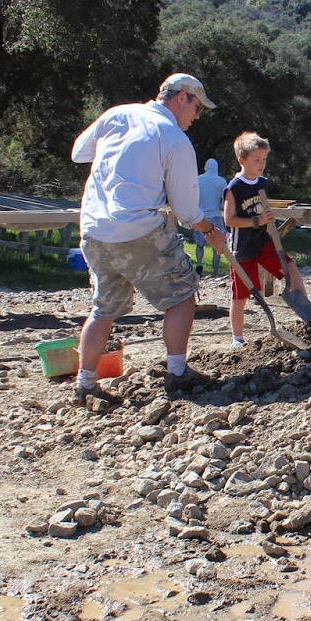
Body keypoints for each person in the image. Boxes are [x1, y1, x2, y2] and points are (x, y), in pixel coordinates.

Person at [69, 73, 228, 404]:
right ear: (182, 98)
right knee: (182, 293)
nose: (197, 116)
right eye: (197, 108)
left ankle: (85, 384)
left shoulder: (117, 114)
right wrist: (210, 231)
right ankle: (178, 373)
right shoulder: (174, 138)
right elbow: (186, 211)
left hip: (94, 229)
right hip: (137, 229)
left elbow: (80, 154)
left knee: (103, 309)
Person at [223, 131, 308, 348]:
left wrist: (266, 217)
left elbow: (263, 208)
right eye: (256, 160)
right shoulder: (234, 188)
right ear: (242, 160)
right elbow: (229, 219)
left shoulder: (262, 183)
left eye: (264, 159)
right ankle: (237, 339)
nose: (261, 164)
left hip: (263, 241)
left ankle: (308, 312)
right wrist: (256, 220)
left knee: (290, 267)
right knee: (240, 294)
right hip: (242, 248)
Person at [192, 158, 227, 277]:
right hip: (216, 215)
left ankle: (199, 263)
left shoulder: (198, 179)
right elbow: (224, 201)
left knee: (199, 244)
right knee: (217, 246)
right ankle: (215, 273)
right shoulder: (221, 181)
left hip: (201, 216)